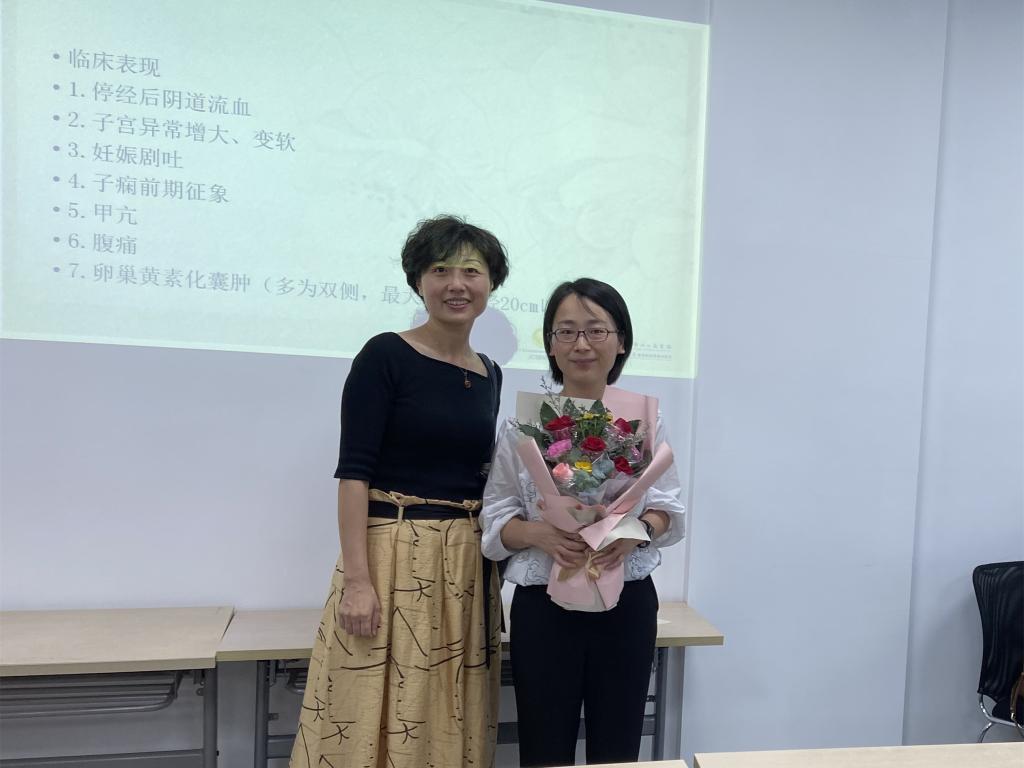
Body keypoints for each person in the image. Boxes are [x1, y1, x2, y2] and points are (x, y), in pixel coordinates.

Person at [290, 215, 509, 768]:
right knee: (369, 703)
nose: (456, 284)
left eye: (471, 271)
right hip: (391, 553)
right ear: (418, 281)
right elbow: (354, 473)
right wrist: (357, 581)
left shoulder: (490, 372)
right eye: (440, 270)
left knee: (447, 705)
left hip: (466, 562)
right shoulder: (385, 355)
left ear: (491, 284)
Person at [481, 277, 685, 767]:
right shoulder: (522, 426)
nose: (581, 344)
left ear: (621, 342)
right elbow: (496, 515)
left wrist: (633, 533)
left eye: (596, 330)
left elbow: (667, 508)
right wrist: (540, 533)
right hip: (544, 605)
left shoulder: (644, 423)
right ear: (551, 345)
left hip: (626, 600)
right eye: (566, 331)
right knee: (544, 746)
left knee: (618, 748)